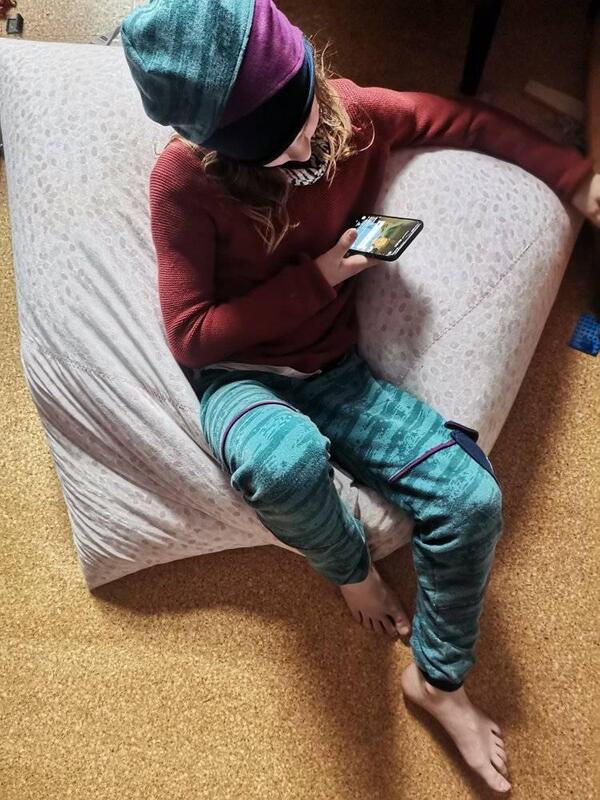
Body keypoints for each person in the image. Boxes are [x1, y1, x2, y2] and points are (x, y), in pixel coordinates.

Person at [122, 0, 599, 792]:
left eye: (305, 120)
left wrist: (576, 178)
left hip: (336, 370)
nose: (306, 149)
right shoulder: (183, 181)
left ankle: (435, 683)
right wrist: (321, 277)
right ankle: (349, 571)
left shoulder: (350, 115)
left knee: (471, 501)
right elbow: (191, 334)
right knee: (282, 462)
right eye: (277, 148)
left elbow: (462, 120)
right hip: (239, 376)